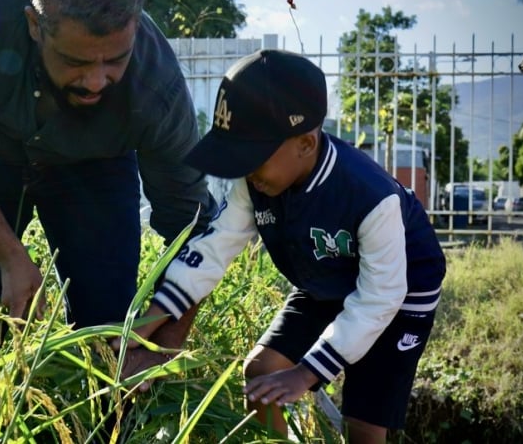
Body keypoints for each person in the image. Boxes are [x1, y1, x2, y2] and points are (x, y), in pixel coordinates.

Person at [0, 0, 217, 409]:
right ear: (35, 25)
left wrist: (163, 344)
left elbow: (192, 227)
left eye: (115, 60)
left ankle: (101, 424)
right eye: (76, 61)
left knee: (109, 326)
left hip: (93, 166)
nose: (96, 81)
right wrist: (10, 256)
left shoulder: (155, 81)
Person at [118, 49, 447, 443]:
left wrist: (307, 372)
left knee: (363, 419)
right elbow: (212, 250)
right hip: (323, 280)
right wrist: (135, 334)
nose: (244, 169)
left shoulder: (370, 196)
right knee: (262, 373)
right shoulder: (255, 183)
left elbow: (380, 297)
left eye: (251, 156)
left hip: (399, 294)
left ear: (306, 144)